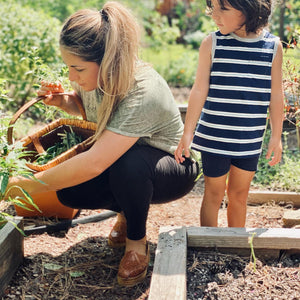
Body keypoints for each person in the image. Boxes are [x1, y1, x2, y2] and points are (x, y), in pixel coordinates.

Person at [7, 1, 199, 287]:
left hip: (172, 166)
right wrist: (63, 101)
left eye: (77, 68)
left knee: (127, 165)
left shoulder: (143, 88)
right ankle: (126, 210)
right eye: (68, 67)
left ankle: (137, 243)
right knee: (70, 189)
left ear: (107, 60)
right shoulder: (96, 80)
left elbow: (96, 161)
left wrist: (32, 183)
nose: (72, 77)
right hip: (126, 161)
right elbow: (91, 113)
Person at [175, 0, 284, 227]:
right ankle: (209, 247)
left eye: (222, 8)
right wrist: (188, 132)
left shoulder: (273, 47)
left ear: (249, 8)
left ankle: (235, 247)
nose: (214, 14)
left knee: (239, 196)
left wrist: (276, 136)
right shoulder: (212, 43)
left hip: (249, 140)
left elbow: (276, 94)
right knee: (213, 195)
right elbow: (199, 90)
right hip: (214, 138)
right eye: (213, 7)